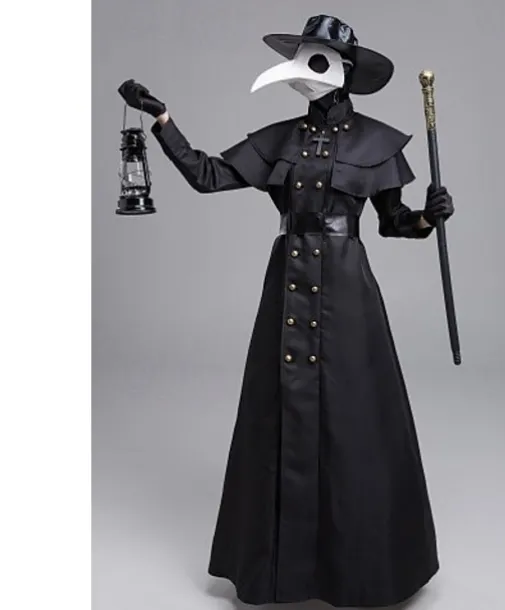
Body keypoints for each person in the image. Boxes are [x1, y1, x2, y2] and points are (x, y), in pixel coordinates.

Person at [119, 14, 454, 608]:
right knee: (279, 416)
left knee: (354, 420)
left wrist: (428, 216)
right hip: (289, 286)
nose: (302, 72)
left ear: (343, 71)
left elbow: (394, 222)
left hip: (348, 292)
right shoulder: (280, 139)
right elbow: (208, 175)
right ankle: (283, 570)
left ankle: (358, 570)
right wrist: (163, 121)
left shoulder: (376, 141)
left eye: (316, 60)